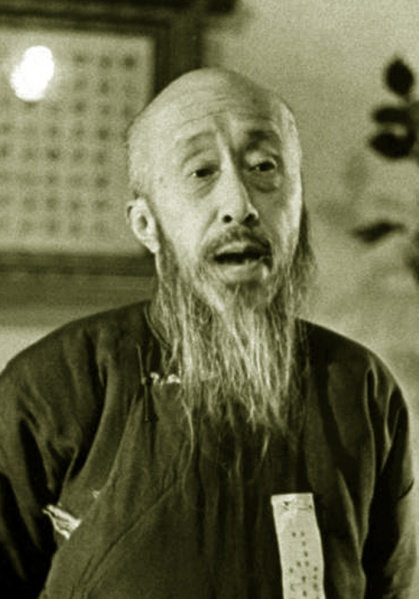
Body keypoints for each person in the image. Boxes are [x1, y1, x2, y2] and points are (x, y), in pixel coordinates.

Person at [0, 68, 416, 599]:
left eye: (264, 167)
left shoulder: (360, 389)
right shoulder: (56, 387)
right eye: (201, 172)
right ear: (146, 224)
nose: (240, 205)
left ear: (297, 205)